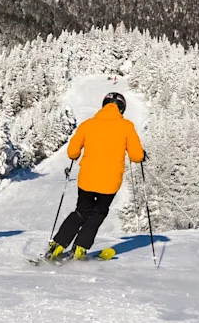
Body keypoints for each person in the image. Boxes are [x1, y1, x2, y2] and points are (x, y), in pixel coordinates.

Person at [46, 91, 145, 260]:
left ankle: (56, 246)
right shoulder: (127, 126)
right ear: (121, 109)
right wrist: (142, 153)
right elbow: (137, 157)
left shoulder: (88, 124)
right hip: (110, 182)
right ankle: (80, 249)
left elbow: (72, 153)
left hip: (87, 179)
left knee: (81, 212)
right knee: (98, 213)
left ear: (103, 106)